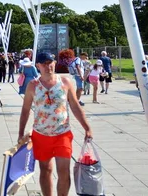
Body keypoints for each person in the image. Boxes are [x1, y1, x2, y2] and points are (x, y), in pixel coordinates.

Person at [17, 53, 93, 196]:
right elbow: (26, 110)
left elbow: (75, 106)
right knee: (45, 170)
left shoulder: (65, 82)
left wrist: (87, 128)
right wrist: (21, 133)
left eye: (50, 62)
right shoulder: (32, 86)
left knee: (64, 171)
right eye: (43, 63)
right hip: (41, 135)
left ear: (55, 63)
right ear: (38, 66)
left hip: (62, 133)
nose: (48, 66)